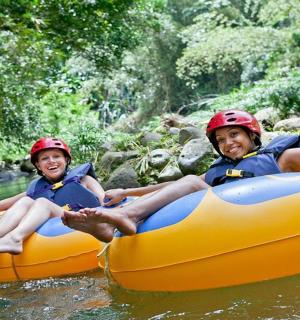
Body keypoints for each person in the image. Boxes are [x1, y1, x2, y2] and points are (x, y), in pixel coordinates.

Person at [62, 109, 300, 242]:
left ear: (252, 135)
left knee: (191, 181)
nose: (228, 143)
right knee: (189, 181)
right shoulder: (220, 170)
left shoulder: (281, 158)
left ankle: (127, 217)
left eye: (235, 134)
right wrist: (126, 192)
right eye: (221, 140)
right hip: (225, 222)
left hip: (266, 215)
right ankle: (111, 226)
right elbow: (179, 185)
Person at [0, 137, 105, 254]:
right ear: (38, 165)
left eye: (56, 156)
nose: (51, 161)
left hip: (82, 221)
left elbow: (105, 203)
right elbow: (4, 204)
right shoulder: (37, 189)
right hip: (56, 223)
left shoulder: (86, 180)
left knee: (42, 202)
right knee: (25, 201)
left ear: (66, 160)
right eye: (45, 158)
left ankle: (14, 239)